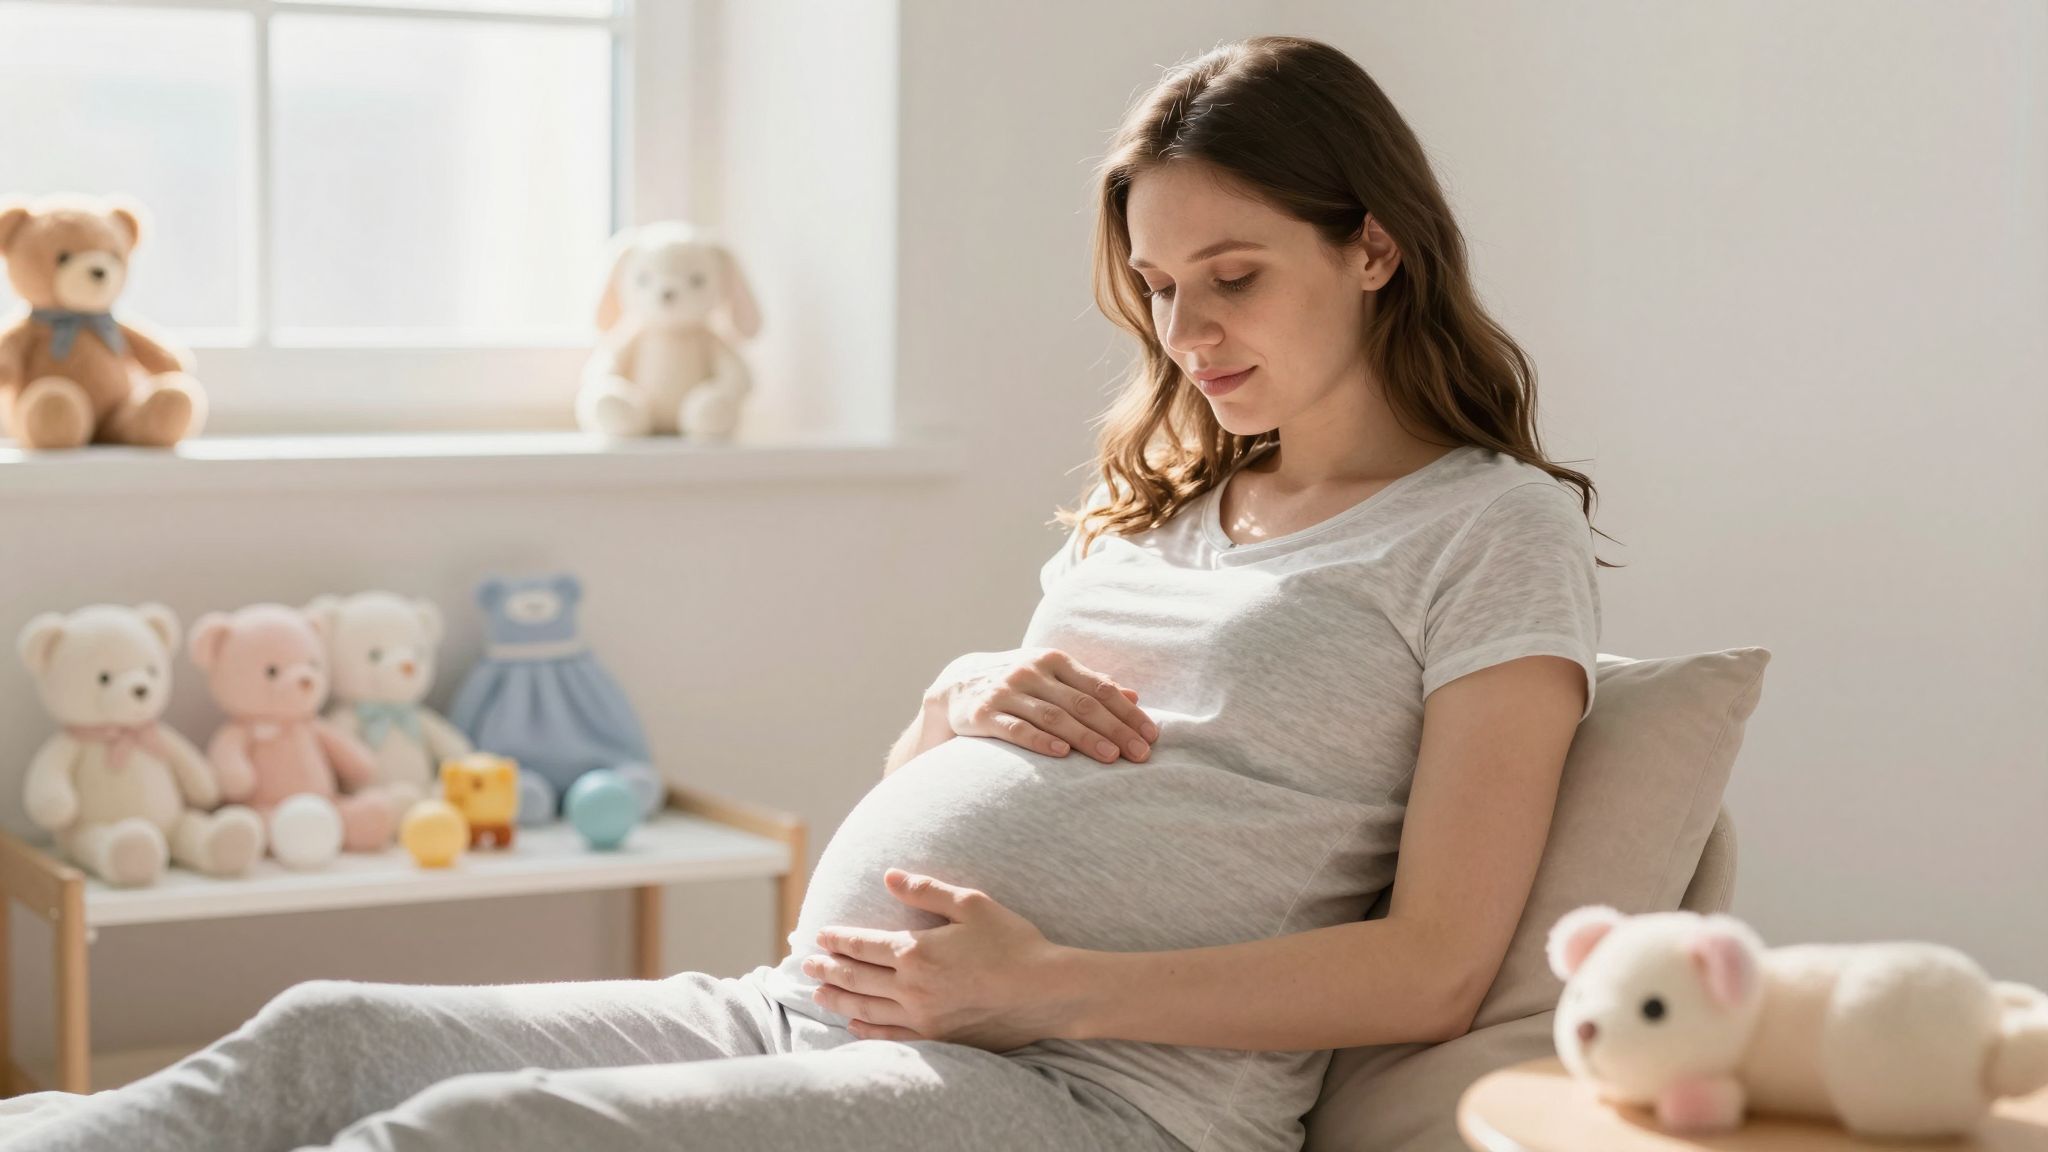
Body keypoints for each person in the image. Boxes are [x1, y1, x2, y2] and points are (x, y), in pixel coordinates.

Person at [8, 34, 1608, 1152]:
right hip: (791, 1010)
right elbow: (948, 791)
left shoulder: (1485, 531)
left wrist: (1049, 989)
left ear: (1376, 248)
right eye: (1160, 288)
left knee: (480, 1137)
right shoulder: (1154, 512)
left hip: (1097, 1101)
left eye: (1235, 275)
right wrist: (953, 703)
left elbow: (1434, 963)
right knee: (327, 1033)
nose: (1188, 330)